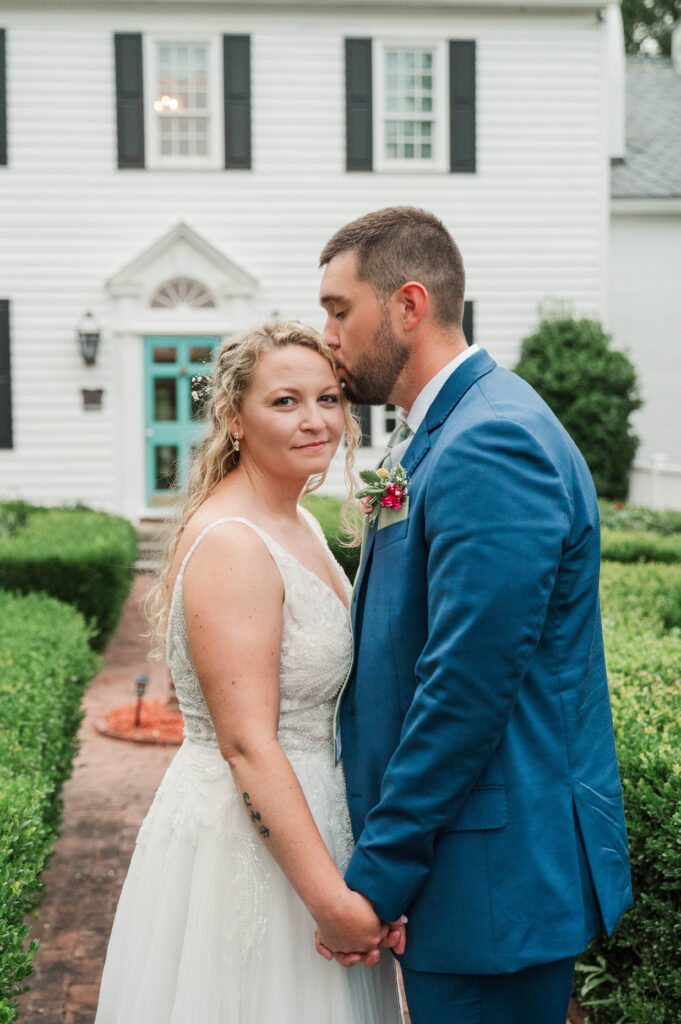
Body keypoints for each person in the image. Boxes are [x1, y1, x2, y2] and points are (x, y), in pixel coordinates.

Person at [316, 207, 633, 1024]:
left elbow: (464, 687)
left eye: (338, 310)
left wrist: (376, 877)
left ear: (407, 306)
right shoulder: (447, 431)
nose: (328, 337)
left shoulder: (491, 441)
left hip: (491, 876)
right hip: (467, 872)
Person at [94, 321, 404, 1024]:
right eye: (285, 402)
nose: (316, 420)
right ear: (234, 416)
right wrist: (329, 904)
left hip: (312, 819)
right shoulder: (235, 541)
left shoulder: (298, 521)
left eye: (327, 398)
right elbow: (245, 744)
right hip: (248, 846)